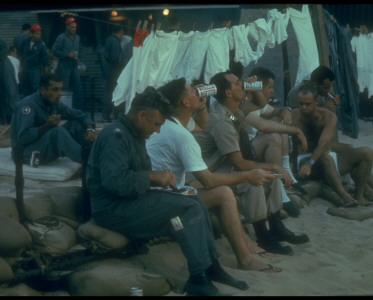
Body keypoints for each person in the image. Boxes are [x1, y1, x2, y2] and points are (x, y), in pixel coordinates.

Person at [85, 86, 247, 296]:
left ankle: (212, 267)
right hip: (112, 209)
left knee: (195, 201)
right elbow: (114, 182)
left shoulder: (133, 134)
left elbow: (134, 175)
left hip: (129, 200)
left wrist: (161, 181)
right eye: (156, 124)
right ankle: (199, 278)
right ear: (142, 115)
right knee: (188, 208)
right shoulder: (115, 136)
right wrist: (152, 176)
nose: (158, 130)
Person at [146, 77, 282, 273]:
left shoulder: (171, 123)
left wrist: (200, 107)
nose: (198, 91)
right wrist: (249, 176)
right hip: (163, 200)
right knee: (224, 193)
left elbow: (201, 126)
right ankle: (245, 258)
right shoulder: (183, 135)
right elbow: (211, 177)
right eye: (193, 91)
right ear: (185, 102)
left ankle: (248, 244)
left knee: (215, 189)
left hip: (164, 191)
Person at [194, 70, 310, 256]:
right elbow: (240, 164)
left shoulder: (233, 111)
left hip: (224, 166)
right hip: (210, 172)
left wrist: (254, 88)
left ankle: (275, 226)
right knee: (254, 179)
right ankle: (262, 234)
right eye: (238, 84)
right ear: (229, 93)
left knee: (269, 176)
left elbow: (260, 104)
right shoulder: (221, 120)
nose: (243, 85)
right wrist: (273, 166)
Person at [290, 82, 373, 207]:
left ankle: (361, 195)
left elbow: (324, 143)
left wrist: (311, 162)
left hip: (318, 160)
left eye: (307, 104)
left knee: (366, 152)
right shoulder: (293, 116)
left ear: (316, 101)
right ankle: (345, 197)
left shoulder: (328, 117)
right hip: (304, 162)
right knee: (326, 157)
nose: (303, 108)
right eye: (301, 104)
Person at [240, 67, 309, 217]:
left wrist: (282, 110)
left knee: (279, 122)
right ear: (258, 88)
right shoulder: (243, 104)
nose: (272, 91)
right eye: (269, 87)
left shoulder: (256, 102)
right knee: (274, 136)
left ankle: (286, 171)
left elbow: (271, 111)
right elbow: (262, 125)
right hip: (243, 152)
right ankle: (279, 192)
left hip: (254, 146)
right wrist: (297, 131)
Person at [10, 73, 95, 165]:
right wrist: (47, 126)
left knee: (77, 125)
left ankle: (91, 152)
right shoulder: (27, 105)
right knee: (58, 132)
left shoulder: (53, 103)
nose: (59, 93)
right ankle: (90, 161)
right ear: (43, 90)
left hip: (43, 146)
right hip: (25, 154)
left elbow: (81, 115)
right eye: (55, 89)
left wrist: (89, 129)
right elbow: (23, 137)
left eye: (60, 89)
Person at [52, 17, 84, 110]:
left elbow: (80, 50)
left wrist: (79, 58)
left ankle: (77, 111)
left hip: (74, 66)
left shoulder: (77, 38)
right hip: (64, 66)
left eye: (75, 27)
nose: (74, 29)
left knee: (78, 89)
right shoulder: (61, 37)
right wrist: (66, 54)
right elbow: (54, 51)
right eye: (72, 27)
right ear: (67, 27)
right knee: (62, 89)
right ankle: (60, 111)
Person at [19, 24, 50, 98]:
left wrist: (46, 74)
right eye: (37, 33)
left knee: (35, 89)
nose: (39, 35)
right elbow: (20, 54)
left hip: (35, 70)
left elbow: (45, 60)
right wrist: (20, 66)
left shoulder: (42, 45)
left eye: (40, 34)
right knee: (25, 90)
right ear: (32, 34)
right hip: (25, 69)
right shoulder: (25, 42)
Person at [102, 23, 124, 122]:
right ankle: (108, 115)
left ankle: (106, 115)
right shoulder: (115, 42)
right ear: (121, 32)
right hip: (114, 71)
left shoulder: (108, 39)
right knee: (112, 93)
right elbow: (116, 58)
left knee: (108, 92)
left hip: (108, 69)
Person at [0, 38, 19, 127]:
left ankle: (11, 120)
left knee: (9, 93)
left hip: (4, 69)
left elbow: (5, 46)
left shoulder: (4, 62)